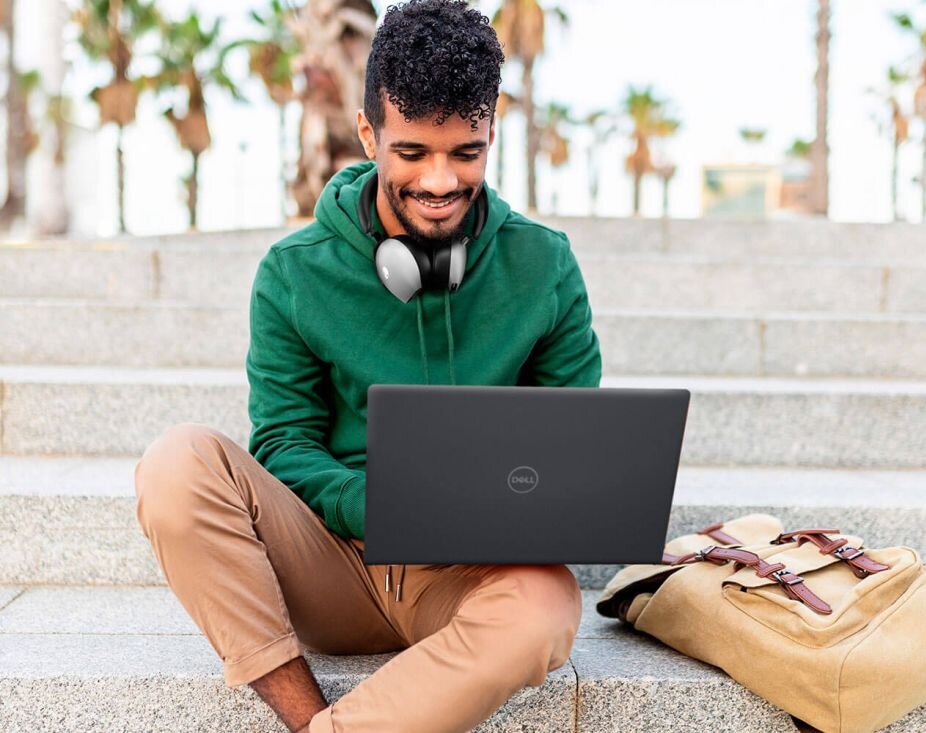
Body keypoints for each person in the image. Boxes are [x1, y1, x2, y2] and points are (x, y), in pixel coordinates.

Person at [133, 1, 602, 731]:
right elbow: (284, 444)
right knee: (176, 464)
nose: (441, 181)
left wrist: (513, 508)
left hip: (467, 576)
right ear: (367, 134)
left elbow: (573, 442)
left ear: (491, 132)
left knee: (546, 608)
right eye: (412, 152)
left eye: (465, 152)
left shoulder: (545, 266)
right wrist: (385, 504)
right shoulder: (294, 272)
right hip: (332, 565)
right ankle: (305, 713)